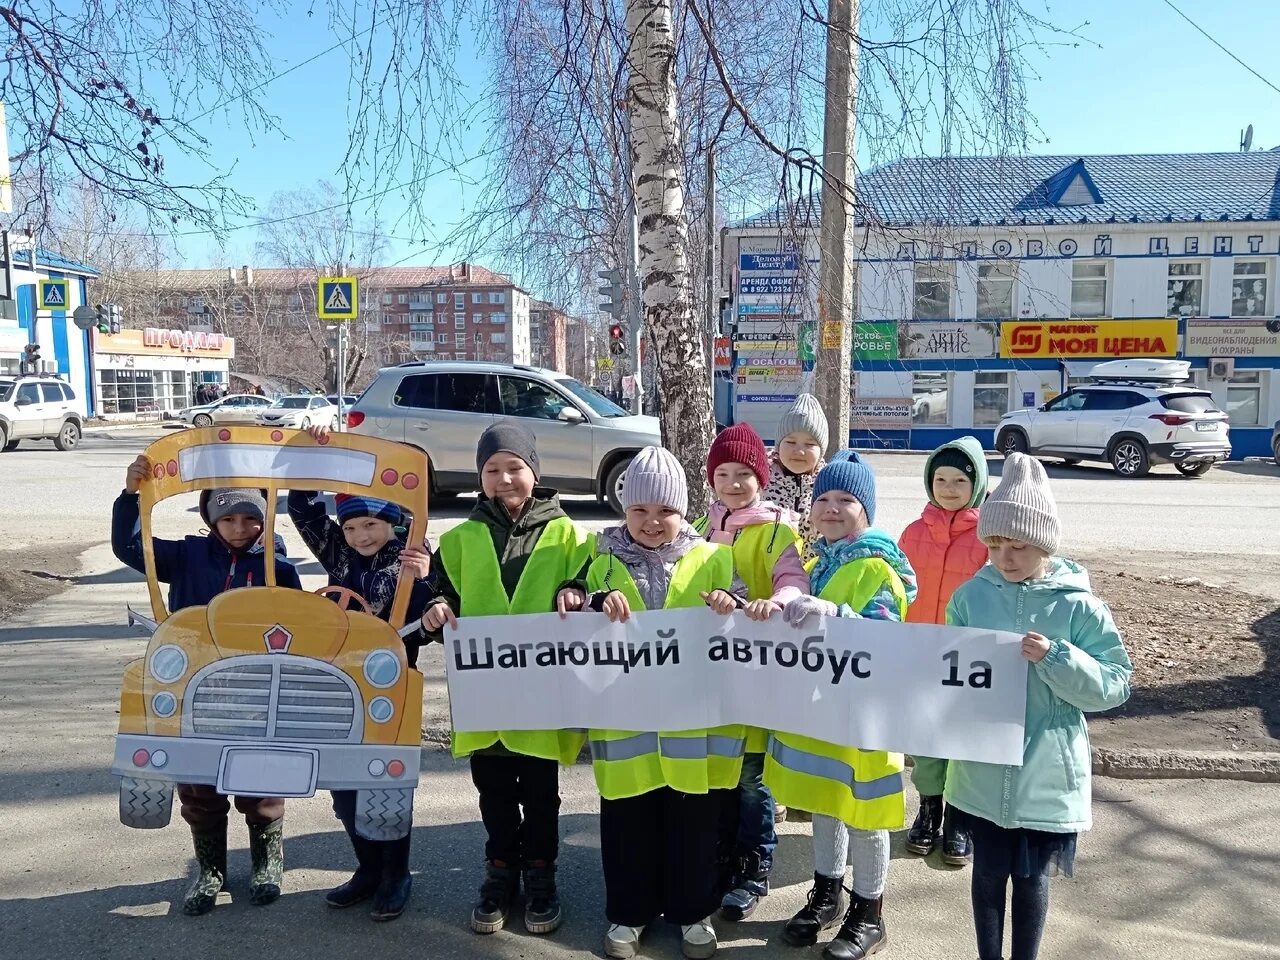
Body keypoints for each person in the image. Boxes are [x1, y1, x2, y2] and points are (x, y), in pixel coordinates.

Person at [561, 445, 747, 960]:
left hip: (691, 728)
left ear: (683, 511)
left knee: (694, 823)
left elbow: (744, 619)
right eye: (639, 509)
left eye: (664, 510)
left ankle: (693, 913)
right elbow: (570, 604)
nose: (651, 521)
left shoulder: (714, 556)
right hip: (626, 728)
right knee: (628, 823)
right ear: (624, 509)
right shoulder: (600, 559)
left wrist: (729, 603)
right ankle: (629, 911)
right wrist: (592, 603)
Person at [945, 453, 1132, 960]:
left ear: (1045, 543)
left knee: (1030, 882)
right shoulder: (969, 597)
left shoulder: (1077, 605)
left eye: (1019, 545)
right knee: (986, 877)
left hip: (1046, 771)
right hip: (981, 769)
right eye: (995, 545)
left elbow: (1115, 684)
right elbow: (945, 673)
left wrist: (1057, 658)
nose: (1005, 557)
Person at [421, 421, 594, 936]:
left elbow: (588, 582)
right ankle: (501, 870)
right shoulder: (459, 539)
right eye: (492, 469)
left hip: (542, 698)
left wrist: (575, 593)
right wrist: (434, 608)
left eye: (514, 467)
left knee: (541, 794)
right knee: (493, 792)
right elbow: (443, 594)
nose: (504, 479)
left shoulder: (568, 535)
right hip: (485, 696)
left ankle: (541, 872)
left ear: (533, 472)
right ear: (480, 476)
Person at [111, 458, 303, 916]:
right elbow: (129, 547)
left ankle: (267, 860)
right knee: (199, 781)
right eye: (229, 518)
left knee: (260, 779)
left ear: (265, 517)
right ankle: (211, 868)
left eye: (250, 517)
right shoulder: (186, 556)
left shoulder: (279, 567)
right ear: (210, 520)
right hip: (194, 691)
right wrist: (129, 496)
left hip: (258, 693)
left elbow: (300, 627)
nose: (240, 528)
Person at [767, 451, 917, 960]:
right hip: (823, 712)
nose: (832, 508)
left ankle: (870, 912)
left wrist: (835, 613)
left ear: (867, 511)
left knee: (865, 814)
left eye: (846, 500)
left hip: (865, 716)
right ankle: (827, 894)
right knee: (827, 803)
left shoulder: (879, 565)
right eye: (823, 498)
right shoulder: (815, 563)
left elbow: (886, 634)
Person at [286, 435, 435, 921]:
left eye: (370, 524)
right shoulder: (340, 557)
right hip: (337, 687)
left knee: (385, 789)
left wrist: (429, 584)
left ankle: (396, 875)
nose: (361, 536)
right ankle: (367, 869)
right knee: (345, 790)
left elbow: (436, 606)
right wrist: (316, 456)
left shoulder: (411, 557)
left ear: (390, 522)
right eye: (350, 526)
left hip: (391, 690)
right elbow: (303, 509)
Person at [695, 423, 808, 922]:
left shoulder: (781, 529)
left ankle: (755, 864)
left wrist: (775, 604)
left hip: (760, 673)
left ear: (762, 478)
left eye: (745, 473)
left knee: (751, 778)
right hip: (711, 676)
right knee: (719, 772)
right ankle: (720, 856)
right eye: (724, 473)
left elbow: (794, 581)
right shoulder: (698, 527)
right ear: (711, 479)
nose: (735, 483)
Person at [897, 437, 989, 865]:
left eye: (959, 480)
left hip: (968, 657)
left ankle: (960, 818)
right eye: (941, 479)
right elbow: (896, 590)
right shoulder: (913, 534)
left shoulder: (989, 535)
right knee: (927, 737)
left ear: (978, 483)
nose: (949, 488)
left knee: (962, 737)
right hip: (919, 653)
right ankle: (929, 809)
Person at [766, 394, 829, 563]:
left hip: (814, 577)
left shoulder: (829, 486)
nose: (799, 451)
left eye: (809, 444)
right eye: (791, 442)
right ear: (779, 445)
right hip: (765, 578)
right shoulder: (760, 482)